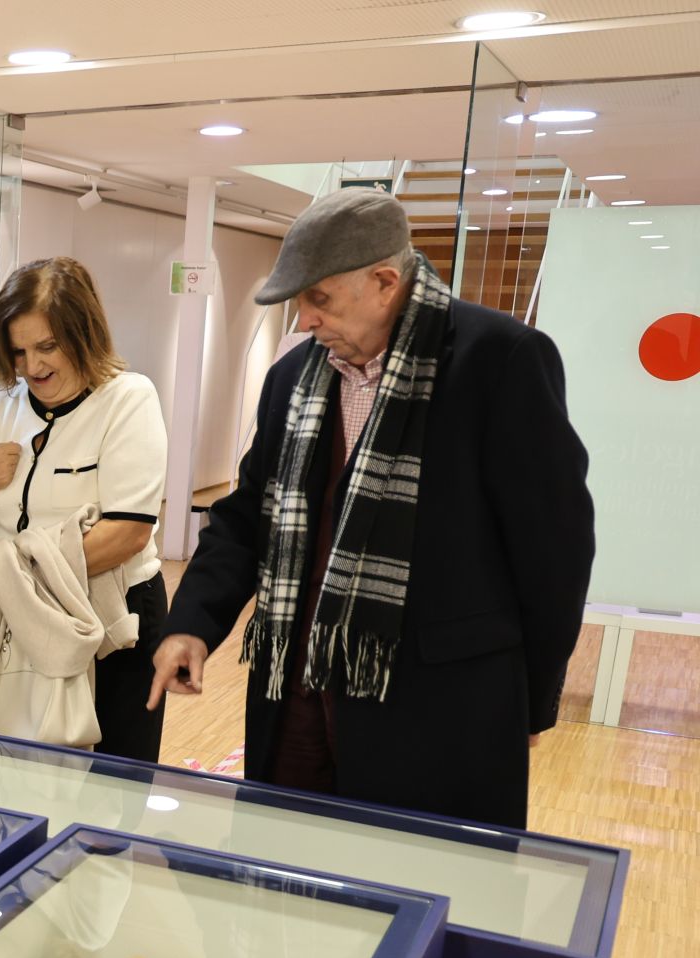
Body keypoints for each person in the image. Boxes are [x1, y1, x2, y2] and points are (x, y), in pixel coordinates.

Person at [149, 188, 595, 828]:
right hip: (297, 693)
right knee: (290, 879)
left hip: (443, 707)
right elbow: (248, 515)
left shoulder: (500, 361)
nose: (304, 320)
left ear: (385, 282)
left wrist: (530, 702)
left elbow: (554, 550)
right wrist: (192, 622)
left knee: (424, 890)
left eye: (319, 299)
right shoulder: (292, 379)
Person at [0, 257, 169, 760]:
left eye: (47, 346)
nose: (32, 367)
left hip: (112, 622)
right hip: (11, 620)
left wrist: (12, 575)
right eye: (18, 351)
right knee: (11, 771)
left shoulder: (128, 400)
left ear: (84, 333)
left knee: (112, 783)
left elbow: (128, 533)